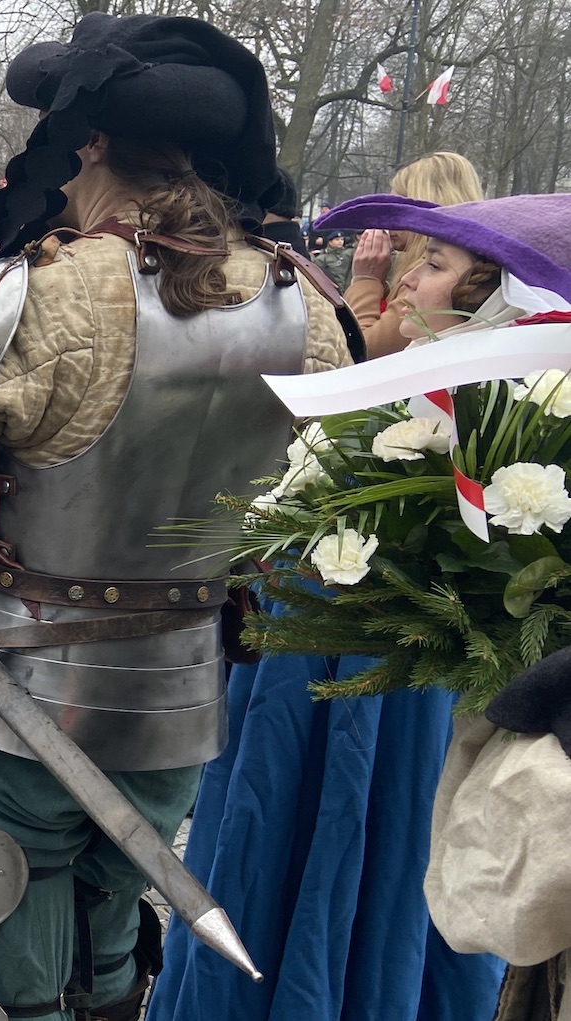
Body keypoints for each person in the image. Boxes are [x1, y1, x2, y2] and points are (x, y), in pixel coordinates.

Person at [0, 15, 355, 1021]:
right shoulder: (309, 309)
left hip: (3, 694)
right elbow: (314, 520)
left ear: (84, 148)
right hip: (176, 704)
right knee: (114, 945)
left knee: (12, 967)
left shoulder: (20, 297)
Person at [156, 195, 562, 1021]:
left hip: (393, 686)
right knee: (271, 829)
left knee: (378, 843)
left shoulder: (498, 410)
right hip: (300, 667)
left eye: (436, 266)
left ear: (488, 294)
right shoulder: (398, 383)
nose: (408, 278)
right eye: (414, 259)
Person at [345, 151, 484, 360]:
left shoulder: (432, 283)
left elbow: (360, 351)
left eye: (396, 211)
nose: (386, 222)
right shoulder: (420, 269)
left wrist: (366, 280)